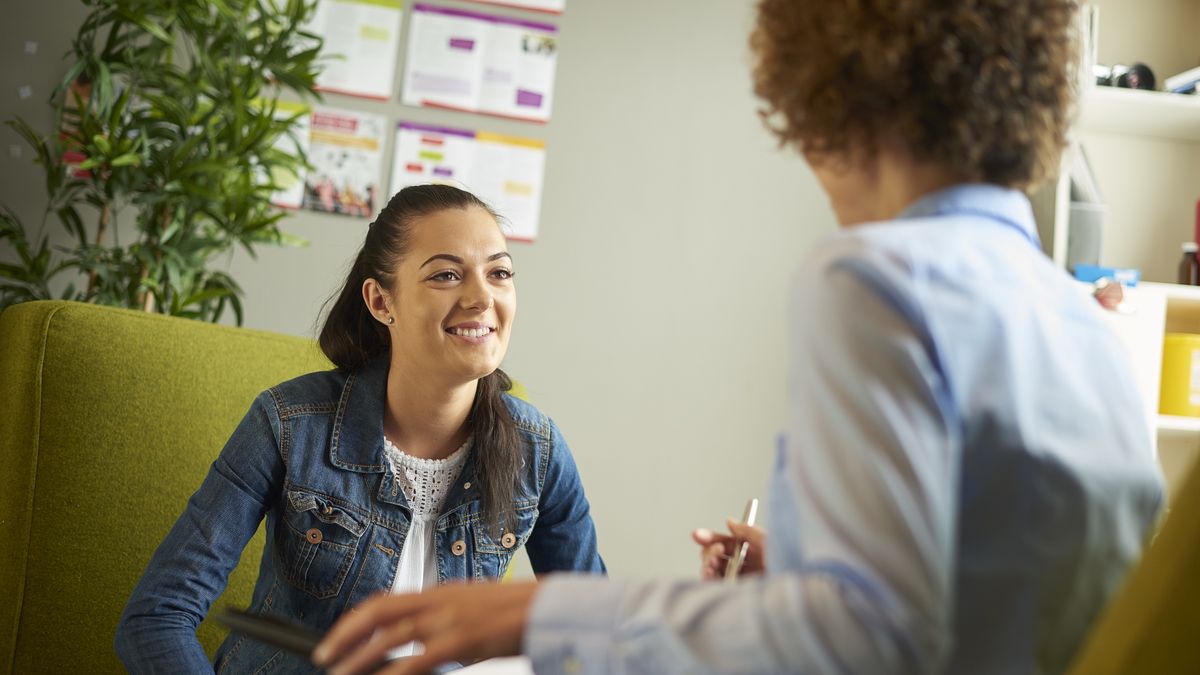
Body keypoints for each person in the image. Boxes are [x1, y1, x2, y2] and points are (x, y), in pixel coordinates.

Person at [312, 1, 1166, 674]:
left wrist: (530, 612)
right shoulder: (1085, 326)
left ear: (831, 91)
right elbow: (984, 604)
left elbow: (862, 641)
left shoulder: (875, 276)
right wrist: (800, 573)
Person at [113, 184, 606, 673]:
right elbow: (157, 616)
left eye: (499, 273)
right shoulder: (288, 423)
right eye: (447, 275)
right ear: (380, 301)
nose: (482, 297)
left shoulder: (537, 450)